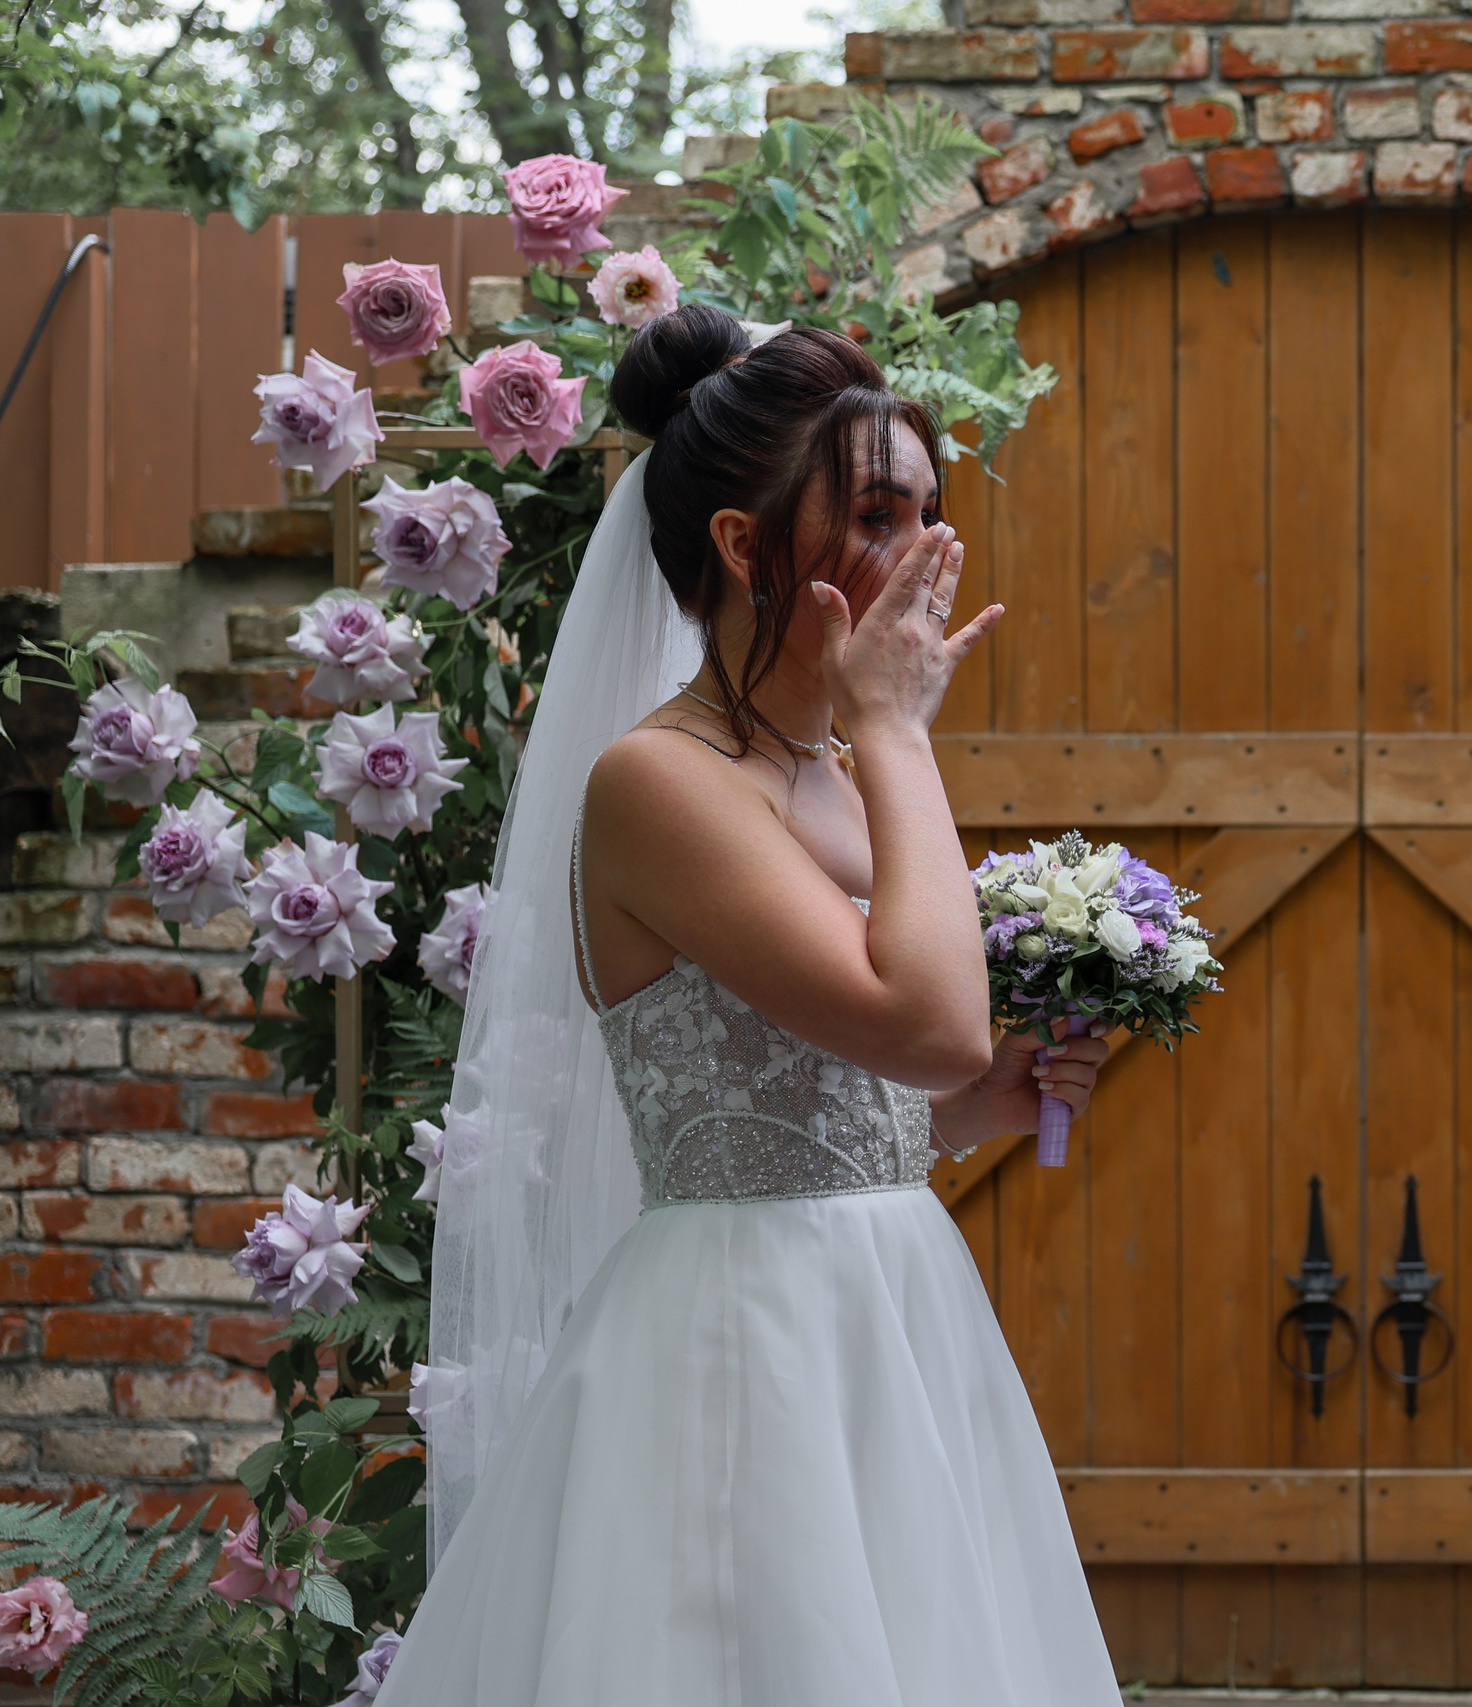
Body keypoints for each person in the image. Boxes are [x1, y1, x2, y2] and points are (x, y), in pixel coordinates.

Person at [378, 305, 1123, 1705]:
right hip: (742, 1339)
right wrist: (898, 731)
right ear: (741, 543)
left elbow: (854, 1088)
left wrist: (973, 1110)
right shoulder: (661, 783)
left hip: (894, 1320)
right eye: (879, 516)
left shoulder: (833, 771)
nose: (924, 556)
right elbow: (930, 1021)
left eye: (929, 512)